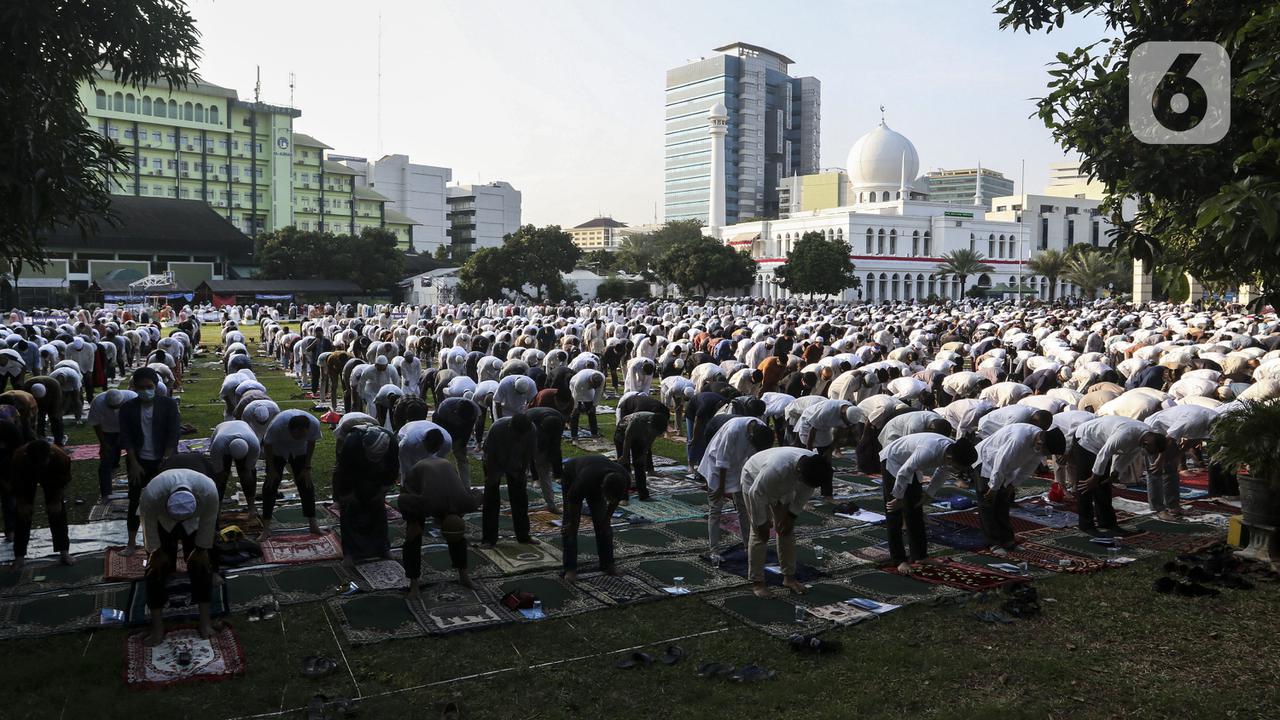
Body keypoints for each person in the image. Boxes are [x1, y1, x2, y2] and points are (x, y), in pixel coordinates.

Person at [137, 468, 220, 645]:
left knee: (202, 565)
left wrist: (201, 550)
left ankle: (205, 622)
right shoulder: (151, 494)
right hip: (161, 519)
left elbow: (209, 522)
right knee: (156, 569)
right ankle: (157, 627)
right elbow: (147, 523)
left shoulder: (209, 491)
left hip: (195, 519)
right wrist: (155, 552)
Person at [740, 447, 833, 597]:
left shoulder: (814, 467)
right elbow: (755, 494)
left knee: (786, 529)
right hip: (754, 480)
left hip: (785, 486)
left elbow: (803, 495)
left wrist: (791, 516)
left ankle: (789, 578)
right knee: (760, 535)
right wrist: (761, 523)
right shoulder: (776, 468)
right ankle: (758, 582)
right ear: (799, 473)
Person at [879, 433, 977, 573]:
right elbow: (904, 471)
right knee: (894, 511)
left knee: (915, 508)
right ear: (950, 458)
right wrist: (899, 498)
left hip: (910, 463)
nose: (958, 471)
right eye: (959, 467)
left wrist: (929, 494)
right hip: (893, 459)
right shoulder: (929, 451)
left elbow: (943, 471)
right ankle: (899, 559)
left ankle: (920, 556)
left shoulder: (952, 451)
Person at [973, 424, 1065, 554]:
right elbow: (1000, 463)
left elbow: (1028, 468)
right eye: (1046, 452)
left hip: (1006, 467)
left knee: (1003, 502)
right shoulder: (1018, 439)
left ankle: (1008, 540)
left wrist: (1013, 485)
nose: (1045, 455)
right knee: (988, 503)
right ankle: (993, 543)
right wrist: (993, 488)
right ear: (1040, 442)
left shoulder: (1040, 443)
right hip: (986, 461)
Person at [119, 367, 181, 555]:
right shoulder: (128, 408)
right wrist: (134, 463)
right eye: (141, 387)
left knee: (169, 500)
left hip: (164, 461)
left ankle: (171, 541)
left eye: (149, 387)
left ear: (156, 386)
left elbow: (173, 434)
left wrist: (166, 460)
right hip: (138, 462)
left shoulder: (168, 405)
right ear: (134, 388)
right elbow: (126, 438)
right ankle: (131, 543)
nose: (146, 391)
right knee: (135, 501)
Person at [1070, 415, 1166, 535]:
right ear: (1146, 444)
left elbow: (1129, 454)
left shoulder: (1145, 436)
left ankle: (1108, 523)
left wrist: (1115, 472)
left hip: (1102, 443)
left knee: (1103, 485)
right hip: (1086, 439)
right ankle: (1086, 525)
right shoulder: (1125, 434)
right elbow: (1105, 453)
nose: (1150, 454)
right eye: (1151, 451)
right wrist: (1094, 478)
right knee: (1085, 484)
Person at [400, 456, 480, 597]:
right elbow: (402, 500)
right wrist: (413, 522)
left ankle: (464, 576)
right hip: (415, 479)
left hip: (445, 473)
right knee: (413, 537)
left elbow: (478, 493)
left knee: (457, 536)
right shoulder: (424, 504)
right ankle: (414, 583)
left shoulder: (466, 503)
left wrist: (458, 517)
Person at [697, 416, 774, 559]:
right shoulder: (734, 430)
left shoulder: (761, 429)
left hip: (740, 467)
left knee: (743, 507)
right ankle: (714, 550)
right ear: (750, 436)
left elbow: (757, 459)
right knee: (715, 508)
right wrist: (721, 488)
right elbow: (722, 460)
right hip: (717, 467)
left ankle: (748, 545)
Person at [333, 425, 399, 565]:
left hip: (378, 474)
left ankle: (383, 548)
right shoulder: (352, 443)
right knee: (350, 509)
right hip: (354, 474)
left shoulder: (392, 443)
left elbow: (393, 469)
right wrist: (347, 493)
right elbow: (343, 471)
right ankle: (350, 553)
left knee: (377, 508)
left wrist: (382, 491)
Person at [560, 455, 629, 581]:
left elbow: (615, 500)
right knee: (570, 527)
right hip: (572, 475)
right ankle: (570, 569)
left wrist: (607, 518)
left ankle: (608, 564)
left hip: (595, 476)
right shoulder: (585, 479)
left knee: (604, 526)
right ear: (602, 488)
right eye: (607, 498)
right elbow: (572, 499)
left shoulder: (623, 478)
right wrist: (573, 524)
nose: (609, 501)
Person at [1144, 404, 1219, 519]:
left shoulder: (1216, 421)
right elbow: (1169, 438)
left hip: (1168, 432)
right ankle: (1158, 509)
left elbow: (1197, 438)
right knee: (1155, 470)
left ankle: (1173, 506)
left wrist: (1178, 453)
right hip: (1154, 430)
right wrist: (1160, 459)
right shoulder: (1193, 420)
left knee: (1171, 469)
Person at [8, 440, 73, 570]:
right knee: (23, 513)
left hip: (52, 475)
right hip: (26, 476)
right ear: (28, 457)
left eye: (42, 463)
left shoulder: (60, 457)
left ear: (50, 455)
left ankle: (64, 551)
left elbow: (62, 481)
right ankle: (19, 556)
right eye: (36, 464)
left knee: (57, 511)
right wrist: (22, 502)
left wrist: (56, 500)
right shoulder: (19, 458)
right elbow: (15, 483)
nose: (39, 467)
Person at [260, 409, 323, 540]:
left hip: (300, 451)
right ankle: (266, 528)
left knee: (306, 484)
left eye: (303, 435)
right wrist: (271, 469)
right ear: (288, 429)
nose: (299, 437)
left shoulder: (314, 424)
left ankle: (313, 524)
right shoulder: (277, 426)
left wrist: (307, 467)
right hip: (278, 449)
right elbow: (267, 444)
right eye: (297, 435)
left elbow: (311, 443)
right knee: (270, 485)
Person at [480, 414, 537, 546]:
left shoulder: (531, 430)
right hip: (495, 461)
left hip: (515, 462)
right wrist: (491, 476)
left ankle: (523, 535)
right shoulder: (497, 428)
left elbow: (528, 454)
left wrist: (522, 472)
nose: (519, 438)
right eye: (517, 434)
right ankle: (489, 539)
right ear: (511, 427)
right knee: (491, 499)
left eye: (522, 435)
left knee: (520, 499)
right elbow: (489, 454)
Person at [87, 388, 135, 501]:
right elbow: (96, 424)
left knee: (134, 460)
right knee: (106, 461)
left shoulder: (132, 398)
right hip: (107, 432)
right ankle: (106, 492)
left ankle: (134, 490)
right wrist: (103, 443)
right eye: (112, 408)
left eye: (117, 407)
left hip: (128, 430)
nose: (114, 411)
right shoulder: (97, 402)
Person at [614, 410, 667, 501]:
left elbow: (650, 440)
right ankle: (623, 497)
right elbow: (627, 439)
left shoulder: (657, 425)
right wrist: (625, 456)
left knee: (639, 464)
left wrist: (644, 453)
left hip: (639, 436)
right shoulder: (636, 421)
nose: (654, 434)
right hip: (623, 433)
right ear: (649, 424)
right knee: (624, 466)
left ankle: (643, 495)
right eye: (653, 431)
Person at [208, 419, 261, 511]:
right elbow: (218, 470)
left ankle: (251, 506)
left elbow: (248, 470)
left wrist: (246, 472)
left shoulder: (254, 445)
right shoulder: (218, 445)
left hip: (242, 427)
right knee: (220, 479)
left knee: (248, 477)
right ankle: (217, 508)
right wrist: (221, 473)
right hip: (223, 429)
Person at [525, 406, 565, 514]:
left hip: (546, 430)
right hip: (527, 433)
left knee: (544, 470)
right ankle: (520, 503)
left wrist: (556, 470)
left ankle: (551, 504)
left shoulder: (560, 420)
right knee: (521, 469)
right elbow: (531, 445)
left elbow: (556, 446)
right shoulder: (530, 421)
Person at [432, 396, 481, 479]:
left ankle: (465, 484)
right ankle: (440, 478)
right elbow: (444, 430)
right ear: (455, 412)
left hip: (460, 426)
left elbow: (467, 430)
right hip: (442, 422)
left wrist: (462, 444)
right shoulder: (444, 409)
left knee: (461, 455)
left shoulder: (475, 411)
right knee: (440, 452)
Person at [568, 368, 605, 441]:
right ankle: (574, 436)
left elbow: (598, 393)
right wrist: (575, 407)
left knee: (591, 412)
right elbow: (576, 396)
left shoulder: (602, 378)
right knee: (575, 414)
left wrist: (594, 406)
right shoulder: (580, 381)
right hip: (574, 386)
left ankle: (594, 434)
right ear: (590, 381)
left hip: (588, 390)